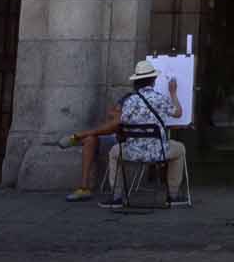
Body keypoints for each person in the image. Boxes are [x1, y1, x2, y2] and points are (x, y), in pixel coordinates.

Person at [55, 59, 187, 209]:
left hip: (131, 152)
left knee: (114, 152)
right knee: (180, 148)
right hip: (158, 153)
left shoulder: (129, 102)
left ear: (136, 82)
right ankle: (173, 196)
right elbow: (178, 113)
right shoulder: (160, 99)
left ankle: (117, 197)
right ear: (153, 80)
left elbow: (119, 122)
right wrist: (173, 93)